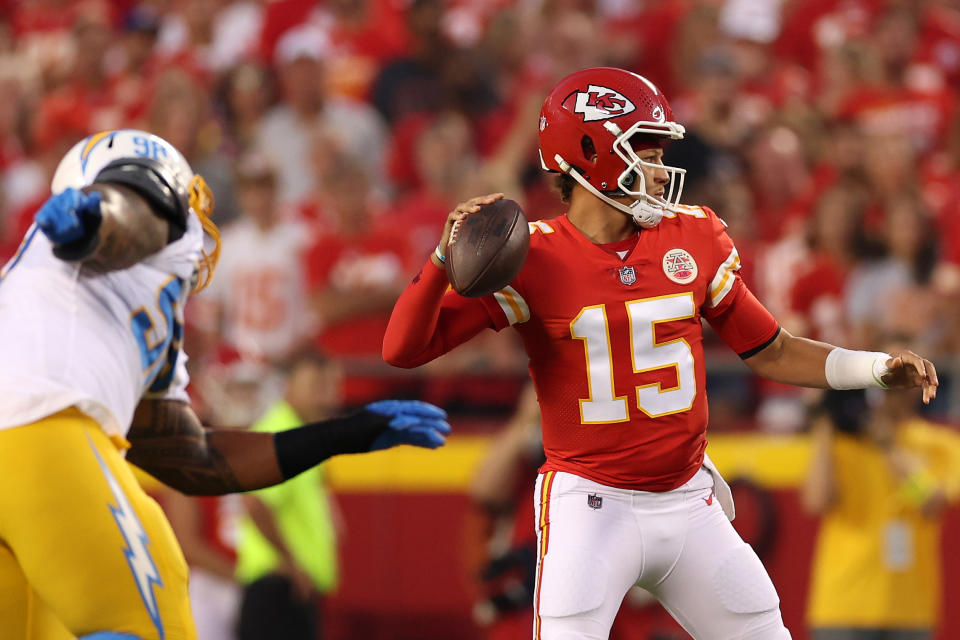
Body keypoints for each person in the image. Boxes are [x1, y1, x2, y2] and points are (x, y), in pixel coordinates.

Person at [382, 67, 938, 640]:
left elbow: (772, 351)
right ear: (590, 152)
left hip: (687, 498)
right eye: (641, 149)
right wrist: (443, 262)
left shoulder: (693, 235)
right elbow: (404, 348)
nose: (657, 166)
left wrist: (871, 368)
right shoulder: (532, 257)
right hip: (589, 504)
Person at [0, 128, 451, 640]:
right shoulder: (100, 233)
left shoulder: (129, 316)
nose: (186, 217)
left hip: (28, 459)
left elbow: (199, 461)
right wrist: (98, 219)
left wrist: (344, 435)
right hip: (46, 431)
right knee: (151, 618)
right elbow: (129, 214)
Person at [803, 368, 960, 639]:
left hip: (909, 609)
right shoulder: (842, 442)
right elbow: (816, 502)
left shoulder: (939, 443)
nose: (890, 389)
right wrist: (825, 420)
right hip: (842, 603)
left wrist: (888, 447)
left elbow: (931, 502)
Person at [234, 351, 346, 640]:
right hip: (278, 588)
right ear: (289, 388)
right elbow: (255, 502)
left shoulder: (302, 437)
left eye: (331, 387)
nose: (327, 399)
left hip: (290, 587)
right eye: (317, 388)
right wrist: (293, 564)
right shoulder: (281, 435)